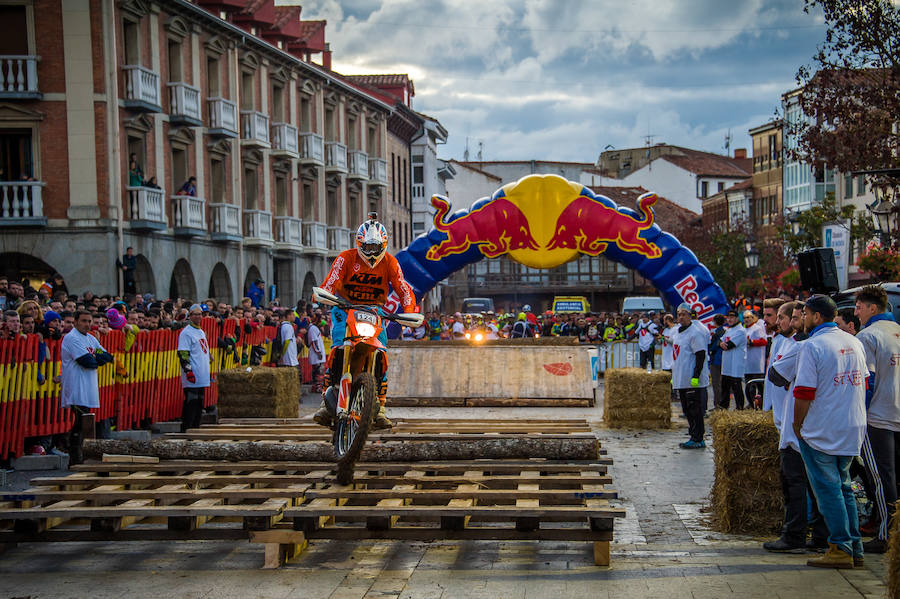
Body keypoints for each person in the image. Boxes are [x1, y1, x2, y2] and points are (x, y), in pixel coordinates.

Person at [313, 213, 417, 430]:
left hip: (375, 311)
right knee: (339, 346)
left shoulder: (390, 261)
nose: (371, 252)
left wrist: (408, 311)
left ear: (384, 245)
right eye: (367, 247)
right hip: (344, 306)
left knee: (382, 353)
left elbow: (403, 287)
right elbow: (331, 281)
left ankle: (380, 407)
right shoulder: (345, 258)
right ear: (359, 244)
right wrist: (324, 293)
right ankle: (325, 400)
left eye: (375, 248)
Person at [792, 295, 868, 569]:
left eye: (805, 314)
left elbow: (803, 393)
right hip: (851, 426)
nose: (802, 319)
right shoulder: (854, 341)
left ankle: (840, 547)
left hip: (823, 428)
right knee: (844, 487)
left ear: (815, 316)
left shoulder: (812, 346)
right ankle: (854, 545)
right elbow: (865, 383)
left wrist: (797, 425)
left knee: (829, 490)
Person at [763, 300, 829, 553]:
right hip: (817, 424)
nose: (788, 322)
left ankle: (794, 534)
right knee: (820, 484)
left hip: (798, 426)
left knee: (795, 482)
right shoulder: (833, 344)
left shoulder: (803, 345)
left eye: (797, 316)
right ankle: (822, 535)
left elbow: (777, 375)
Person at [854, 285, 900, 554]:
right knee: (894, 477)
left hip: (878, 417)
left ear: (872, 308)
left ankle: (886, 535)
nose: (856, 312)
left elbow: (866, 382)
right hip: (895, 411)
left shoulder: (868, 336)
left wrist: (859, 415)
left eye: (859, 307)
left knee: (882, 478)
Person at [60, 310, 114, 464]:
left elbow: (107, 356)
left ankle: (81, 457)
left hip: (88, 386)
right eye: (83, 321)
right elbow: (87, 361)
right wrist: (96, 358)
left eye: (89, 321)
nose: (87, 324)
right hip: (76, 386)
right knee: (79, 423)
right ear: (76, 322)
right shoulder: (72, 338)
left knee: (84, 422)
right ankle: (75, 459)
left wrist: (95, 357)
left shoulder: (90, 339)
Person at [673, 304, 710, 449]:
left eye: (684, 314)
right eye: (679, 314)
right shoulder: (678, 332)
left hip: (692, 380)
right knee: (687, 410)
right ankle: (692, 434)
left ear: (690, 316)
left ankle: (698, 437)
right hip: (682, 378)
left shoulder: (695, 333)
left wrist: (696, 375)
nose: (681, 317)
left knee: (695, 409)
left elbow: (700, 355)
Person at [177, 304, 212, 433]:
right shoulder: (186, 333)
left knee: (199, 403)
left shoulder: (200, 331)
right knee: (191, 402)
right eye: (195, 314)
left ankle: (196, 429)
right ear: (190, 316)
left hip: (202, 373)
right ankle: (187, 428)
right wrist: (188, 371)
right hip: (193, 374)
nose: (198, 316)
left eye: (200, 314)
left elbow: (201, 348)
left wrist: (209, 355)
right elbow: (183, 353)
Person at [719, 310, 746, 409]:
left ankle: (739, 408)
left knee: (737, 389)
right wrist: (721, 344)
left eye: (732, 317)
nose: (729, 319)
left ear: (737, 318)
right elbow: (720, 342)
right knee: (725, 388)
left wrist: (722, 344)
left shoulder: (740, 331)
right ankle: (723, 408)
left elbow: (728, 345)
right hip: (727, 364)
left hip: (735, 364)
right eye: (728, 317)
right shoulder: (729, 330)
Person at [743, 309, 768, 407]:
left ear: (753, 318)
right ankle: (751, 403)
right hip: (747, 362)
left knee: (759, 385)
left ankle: (762, 404)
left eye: (748, 317)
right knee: (749, 385)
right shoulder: (744, 329)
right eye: (745, 318)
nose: (746, 320)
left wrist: (752, 342)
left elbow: (764, 341)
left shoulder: (757, 328)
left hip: (757, 361)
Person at [708, 313, 727, 409]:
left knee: (716, 384)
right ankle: (721, 403)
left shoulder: (717, 333)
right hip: (723, 360)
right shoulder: (725, 331)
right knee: (721, 383)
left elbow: (713, 346)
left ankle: (718, 404)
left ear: (715, 322)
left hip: (716, 360)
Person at [307, 317, 326, 393]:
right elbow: (314, 342)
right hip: (316, 355)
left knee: (317, 371)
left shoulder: (314, 328)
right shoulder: (313, 328)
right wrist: (318, 352)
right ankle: (318, 387)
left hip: (317, 355)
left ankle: (316, 386)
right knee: (319, 371)